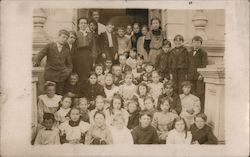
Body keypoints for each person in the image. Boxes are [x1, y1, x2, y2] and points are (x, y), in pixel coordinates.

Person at [33, 29, 72, 94]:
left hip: (61, 76)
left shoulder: (66, 50)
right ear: (58, 36)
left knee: (59, 95)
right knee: (49, 93)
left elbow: (69, 64)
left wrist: (67, 72)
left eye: (66, 38)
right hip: (50, 74)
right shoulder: (50, 46)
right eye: (63, 37)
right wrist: (36, 62)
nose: (64, 39)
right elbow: (41, 54)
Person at [187, 36, 208, 112]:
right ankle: (192, 109)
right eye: (194, 42)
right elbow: (188, 64)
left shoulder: (203, 53)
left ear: (201, 44)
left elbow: (204, 64)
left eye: (198, 42)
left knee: (200, 93)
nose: (196, 44)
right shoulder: (189, 52)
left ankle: (200, 110)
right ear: (192, 43)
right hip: (190, 76)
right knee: (191, 92)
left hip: (198, 77)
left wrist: (201, 75)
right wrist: (187, 74)